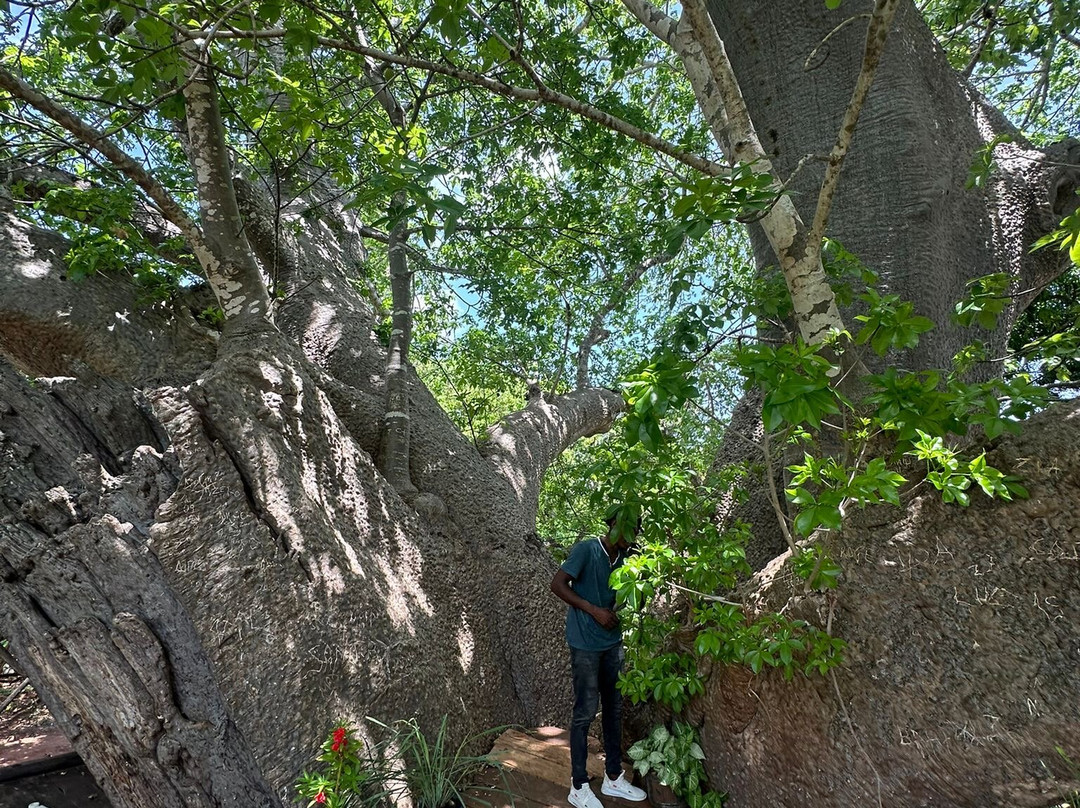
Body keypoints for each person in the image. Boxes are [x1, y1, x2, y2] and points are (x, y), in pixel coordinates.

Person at [550, 511, 647, 808]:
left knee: (614, 708)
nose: (627, 536)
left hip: (612, 643)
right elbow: (558, 584)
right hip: (584, 644)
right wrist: (594, 610)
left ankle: (613, 777)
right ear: (612, 525)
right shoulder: (587, 549)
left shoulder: (629, 558)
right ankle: (578, 785)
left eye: (634, 532)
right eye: (623, 528)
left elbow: (637, 599)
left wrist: (640, 570)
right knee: (584, 712)